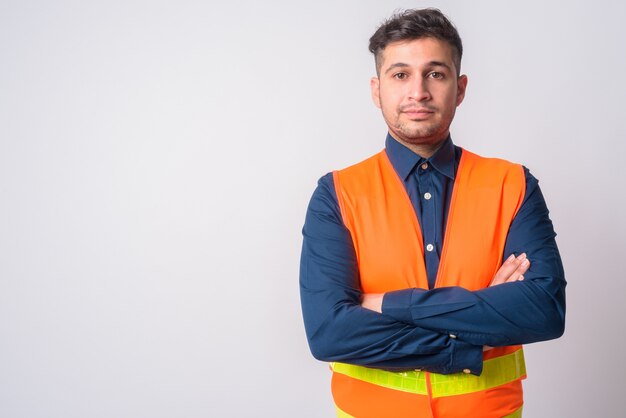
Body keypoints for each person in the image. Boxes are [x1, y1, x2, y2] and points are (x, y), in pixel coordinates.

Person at [299, 8, 566, 418]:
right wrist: (476, 327)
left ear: (460, 89)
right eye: (400, 74)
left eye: (435, 74)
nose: (418, 92)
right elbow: (329, 333)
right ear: (377, 90)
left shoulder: (513, 184)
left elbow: (543, 312)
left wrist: (386, 305)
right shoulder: (337, 194)